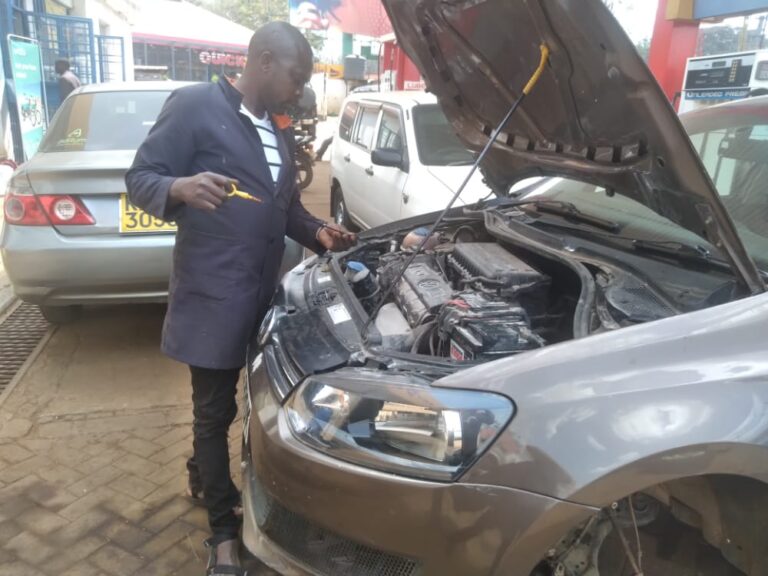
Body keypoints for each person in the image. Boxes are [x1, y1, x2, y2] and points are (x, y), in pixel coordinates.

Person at [125, 21, 355, 575]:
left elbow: (285, 208)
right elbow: (140, 177)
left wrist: (318, 232)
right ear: (265, 62)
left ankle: (202, 473)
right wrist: (177, 188)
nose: (300, 92)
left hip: (263, 299)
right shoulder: (196, 105)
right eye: (297, 78)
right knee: (214, 411)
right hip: (214, 296)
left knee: (247, 402)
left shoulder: (274, 129)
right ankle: (224, 533)